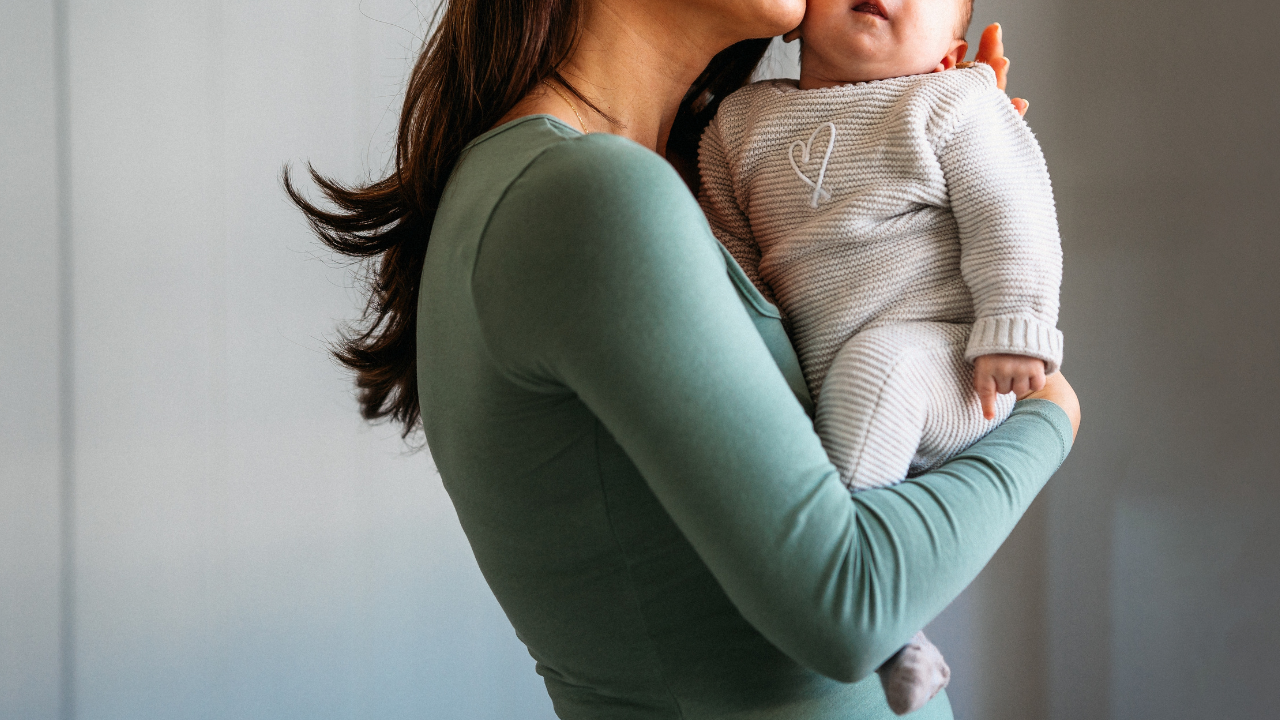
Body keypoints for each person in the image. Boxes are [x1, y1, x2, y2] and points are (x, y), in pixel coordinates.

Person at [285, 2, 1081, 718]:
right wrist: (1052, 415)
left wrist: (903, 180)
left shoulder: (615, 178)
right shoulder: (593, 193)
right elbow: (849, 605)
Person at [697, 0, 1063, 711]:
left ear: (949, 54)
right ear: (797, 17)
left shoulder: (951, 102)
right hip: (831, 380)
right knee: (853, 387)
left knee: (882, 368)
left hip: (951, 365)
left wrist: (1015, 325)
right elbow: (734, 263)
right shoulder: (738, 127)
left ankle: (858, 595)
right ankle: (902, 633)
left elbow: (1011, 209)